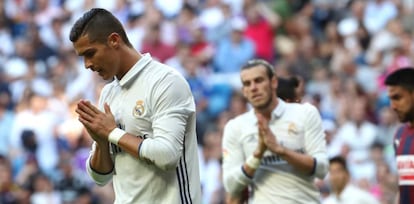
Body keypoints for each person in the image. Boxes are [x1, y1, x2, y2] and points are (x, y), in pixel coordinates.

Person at [69, 8, 201, 203]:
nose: (87, 64)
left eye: (90, 53)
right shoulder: (108, 93)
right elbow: (100, 177)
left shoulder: (165, 82)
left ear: (114, 40)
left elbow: (167, 155)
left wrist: (112, 133)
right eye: (82, 57)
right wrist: (102, 143)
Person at [222, 59, 328, 203]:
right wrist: (257, 156)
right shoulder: (235, 127)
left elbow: (321, 168)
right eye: (247, 84)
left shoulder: (305, 113)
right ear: (244, 91)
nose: (253, 87)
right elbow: (231, 185)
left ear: (274, 82)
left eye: (258, 81)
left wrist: (280, 150)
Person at [384, 67, 414, 204]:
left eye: (397, 98)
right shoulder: (399, 136)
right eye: (390, 99)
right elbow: (404, 187)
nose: (393, 106)